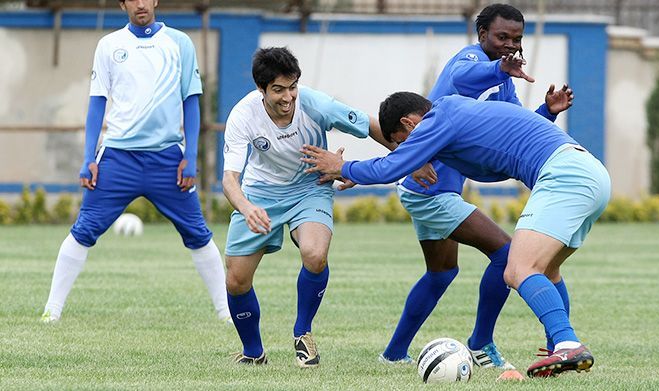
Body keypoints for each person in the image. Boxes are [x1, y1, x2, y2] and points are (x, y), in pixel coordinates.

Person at [300, 91, 610, 378]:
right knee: (547, 269)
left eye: (403, 140)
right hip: (590, 171)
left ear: (410, 123)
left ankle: (567, 344)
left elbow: (390, 168)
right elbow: (516, 131)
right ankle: (560, 351)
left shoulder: (440, 116)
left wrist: (344, 166)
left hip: (563, 175)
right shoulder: (460, 112)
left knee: (517, 269)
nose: (409, 147)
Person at [377, 3, 574, 369]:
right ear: (482, 34)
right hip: (431, 193)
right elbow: (467, 76)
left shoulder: (501, 79)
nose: (510, 45)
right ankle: (481, 342)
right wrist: (499, 66)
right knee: (506, 255)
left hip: (432, 191)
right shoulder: (467, 62)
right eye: (502, 37)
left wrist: (547, 112)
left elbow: (513, 129)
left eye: (516, 39)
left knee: (442, 273)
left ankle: (393, 354)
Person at [41, 0, 230, 324]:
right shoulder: (109, 45)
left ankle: (227, 313)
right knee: (84, 230)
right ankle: (52, 312)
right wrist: (89, 158)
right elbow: (97, 104)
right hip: (117, 158)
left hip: (168, 160)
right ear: (122, 3)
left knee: (199, 234)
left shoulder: (180, 43)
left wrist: (189, 157)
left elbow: (192, 103)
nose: (140, 4)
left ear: (155, 1)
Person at [221, 47, 394, 367]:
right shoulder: (242, 115)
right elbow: (229, 179)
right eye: (278, 90)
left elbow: (371, 124)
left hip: (310, 188)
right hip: (259, 194)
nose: (288, 97)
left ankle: (303, 333)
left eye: (292, 87)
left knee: (315, 254)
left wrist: (409, 160)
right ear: (261, 90)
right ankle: (254, 352)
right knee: (236, 280)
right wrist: (246, 208)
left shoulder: (316, 104)